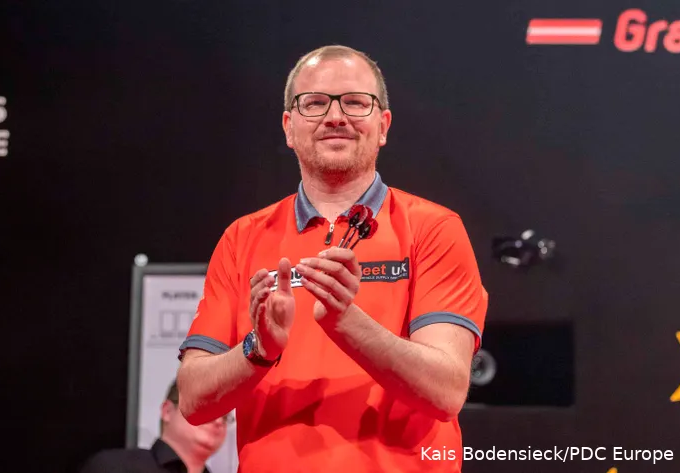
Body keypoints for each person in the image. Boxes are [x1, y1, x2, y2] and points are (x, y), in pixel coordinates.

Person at [176, 45, 488, 473]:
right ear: (289, 127)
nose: (336, 116)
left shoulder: (434, 228)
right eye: (315, 103)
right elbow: (193, 400)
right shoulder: (241, 238)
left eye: (356, 102)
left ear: (383, 125)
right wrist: (258, 349)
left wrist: (346, 321)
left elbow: (447, 390)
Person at [79, 380, 227, 473]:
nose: (218, 421)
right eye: (206, 407)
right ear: (167, 411)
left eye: (226, 417)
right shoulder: (114, 467)